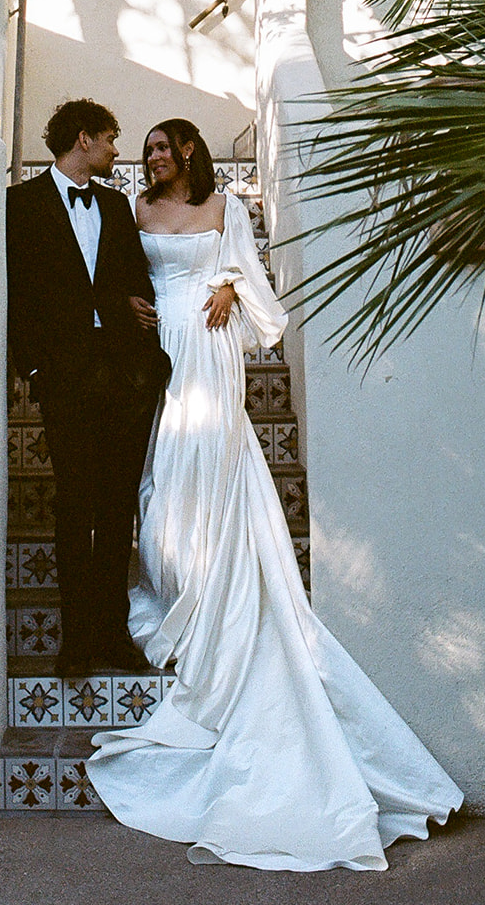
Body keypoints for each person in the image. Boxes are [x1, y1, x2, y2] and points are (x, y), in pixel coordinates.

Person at [88, 118, 463, 871]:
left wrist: (227, 282)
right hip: (161, 344)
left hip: (213, 342)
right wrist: (132, 306)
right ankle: (179, 583)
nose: (151, 159)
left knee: (208, 453)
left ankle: (219, 579)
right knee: (161, 476)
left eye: (162, 149)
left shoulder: (224, 204)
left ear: (187, 151)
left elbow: (247, 273)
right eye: (146, 151)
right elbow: (126, 278)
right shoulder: (135, 210)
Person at [6, 99, 171, 677]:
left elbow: (134, 277)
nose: (116, 151)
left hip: (125, 375)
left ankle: (113, 634)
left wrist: (130, 310)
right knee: (76, 508)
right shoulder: (20, 204)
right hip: (64, 379)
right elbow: (16, 292)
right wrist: (32, 370)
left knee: (118, 504)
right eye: (109, 140)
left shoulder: (115, 202)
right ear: (83, 139)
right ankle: (76, 640)